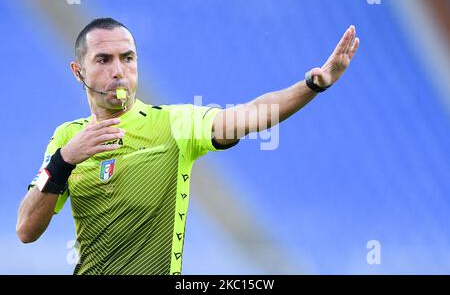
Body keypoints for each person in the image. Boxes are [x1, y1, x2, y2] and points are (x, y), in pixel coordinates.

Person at [16, 18, 359, 275]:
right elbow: (26, 230)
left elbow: (251, 115)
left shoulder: (174, 124)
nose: (118, 71)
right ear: (79, 72)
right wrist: (62, 162)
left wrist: (313, 85)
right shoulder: (66, 138)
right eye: (104, 60)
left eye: (128, 58)